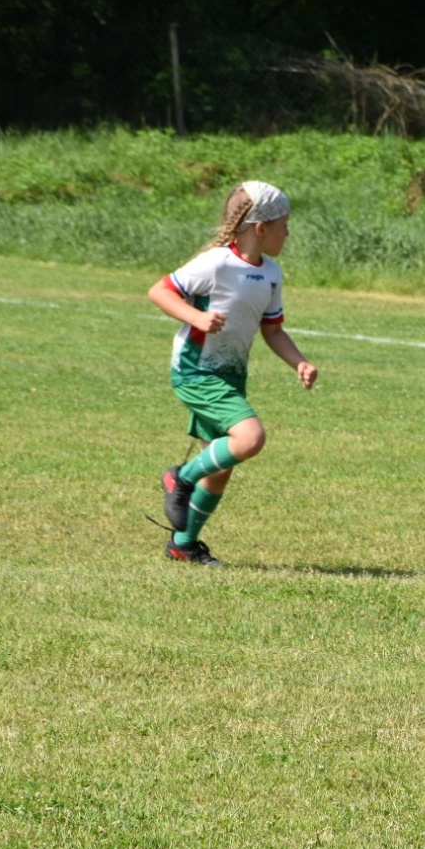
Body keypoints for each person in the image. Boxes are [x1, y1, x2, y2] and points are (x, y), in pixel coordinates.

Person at [150, 180, 317, 566]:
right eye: (284, 225)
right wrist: (196, 317)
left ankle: (183, 544)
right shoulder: (216, 263)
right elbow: (160, 291)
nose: (288, 233)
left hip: (230, 376)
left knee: (221, 466)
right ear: (261, 228)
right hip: (196, 370)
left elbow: (273, 330)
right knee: (251, 437)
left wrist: (300, 362)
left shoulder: (271, 273)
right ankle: (181, 478)